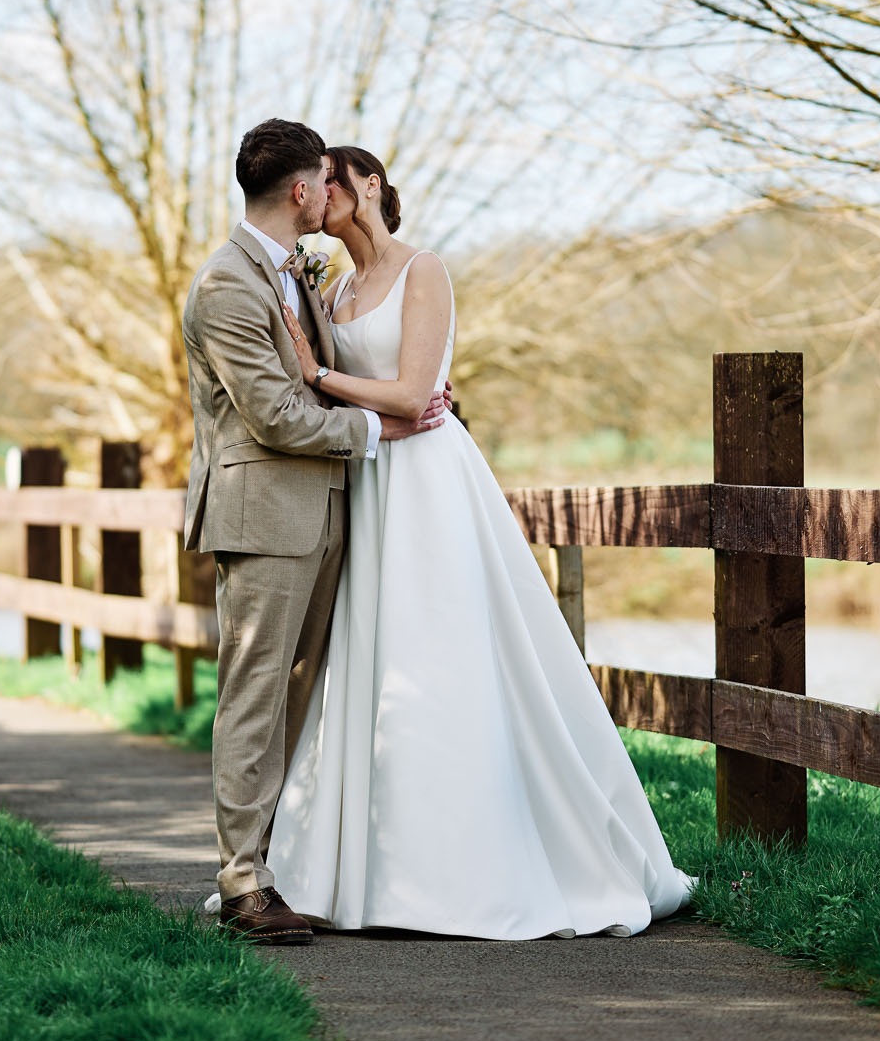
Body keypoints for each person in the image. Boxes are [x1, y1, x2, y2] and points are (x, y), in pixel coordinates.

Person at [265, 144, 696, 939]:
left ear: (368, 186)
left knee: (443, 655)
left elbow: (414, 392)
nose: (317, 191)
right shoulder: (330, 284)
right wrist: (314, 371)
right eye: (312, 179)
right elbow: (315, 388)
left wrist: (319, 376)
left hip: (427, 481)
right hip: (368, 483)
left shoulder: (423, 270)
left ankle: (465, 870)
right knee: (371, 665)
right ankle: (364, 872)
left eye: (331, 176)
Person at [179, 118, 449, 945]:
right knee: (253, 695)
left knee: (302, 694)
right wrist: (384, 432)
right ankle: (242, 885)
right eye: (323, 179)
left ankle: (277, 861)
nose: (329, 192)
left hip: (327, 511)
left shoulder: (299, 274)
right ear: (301, 189)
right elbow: (276, 414)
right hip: (266, 515)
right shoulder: (227, 285)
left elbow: (337, 382)